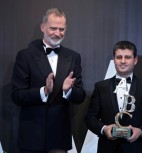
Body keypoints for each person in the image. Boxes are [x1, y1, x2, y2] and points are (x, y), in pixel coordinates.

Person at [11, 8, 86, 153]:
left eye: (61, 29)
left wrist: (68, 90)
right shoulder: (25, 56)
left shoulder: (73, 57)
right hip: (32, 137)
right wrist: (43, 91)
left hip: (59, 138)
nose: (57, 33)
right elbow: (16, 96)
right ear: (43, 27)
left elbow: (80, 96)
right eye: (53, 28)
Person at [85, 41, 142, 153]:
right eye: (119, 57)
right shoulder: (101, 87)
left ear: (135, 60)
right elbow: (90, 118)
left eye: (127, 57)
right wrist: (104, 129)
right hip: (107, 148)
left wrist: (140, 131)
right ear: (114, 60)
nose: (123, 61)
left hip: (136, 148)